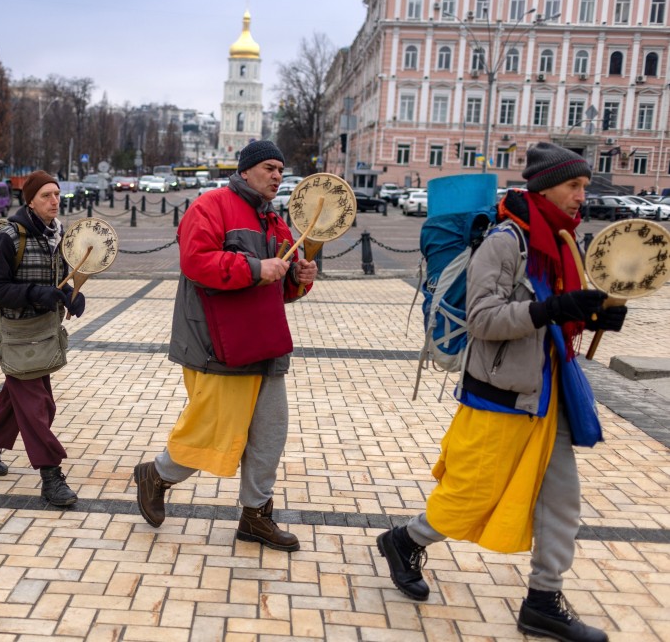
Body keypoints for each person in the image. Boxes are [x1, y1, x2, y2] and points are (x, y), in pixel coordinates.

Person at [377, 143, 626, 642]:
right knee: (471, 494)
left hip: (549, 390)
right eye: (574, 185)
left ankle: (542, 601)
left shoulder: (561, 240)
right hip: (501, 390)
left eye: (585, 185)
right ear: (546, 186)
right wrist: (552, 309)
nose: (584, 194)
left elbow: (563, 312)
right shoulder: (506, 240)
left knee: (562, 501)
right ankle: (404, 540)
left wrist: (595, 314)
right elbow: (484, 319)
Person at [132, 140, 317, 551]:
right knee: (214, 433)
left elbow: (284, 289)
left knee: (270, 434)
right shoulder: (210, 206)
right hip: (219, 344)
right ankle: (156, 475)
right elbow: (196, 263)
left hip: (266, 343)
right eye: (270, 167)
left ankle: (256, 516)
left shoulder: (276, 222)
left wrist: (300, 276)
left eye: (281, 170)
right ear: (247, 169)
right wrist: (256, 268)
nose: (277, 176)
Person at [0, 170, 86, 507]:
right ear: (30, 200)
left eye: (57, 194)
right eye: (47, 195)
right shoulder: (11, 236)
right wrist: (37, 293)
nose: (54, 201)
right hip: (16, 333)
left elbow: (63, 277)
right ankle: (51, 477)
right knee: (38, 406)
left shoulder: (60, 234)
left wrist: (72, 297)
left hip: (45, 331)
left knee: (17, 398)